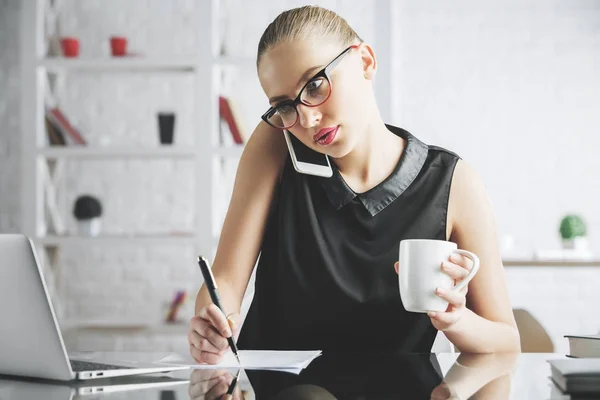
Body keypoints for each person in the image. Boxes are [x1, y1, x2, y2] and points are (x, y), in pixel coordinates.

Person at [188, 5, 521, 364]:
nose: (307, 117)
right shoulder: (276, 144)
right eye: (284, 106)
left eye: (315, 85)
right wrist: (212, 320)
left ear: (365, 61)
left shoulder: (453, 182)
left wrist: (455, 320)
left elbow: (506, 340)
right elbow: (224, 280)